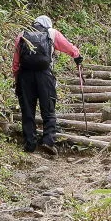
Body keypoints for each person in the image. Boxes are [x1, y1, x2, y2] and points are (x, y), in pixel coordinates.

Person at [12, 15, 83, 156]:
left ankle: (30, 144)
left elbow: (16, 61)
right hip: (44, 76)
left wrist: (17, 77)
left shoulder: (22, 35)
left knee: (27, 109)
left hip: (25, 75)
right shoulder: (52, 33)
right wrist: (77, 55)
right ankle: (48, 140)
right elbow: (69, 47)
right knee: (48, 109)